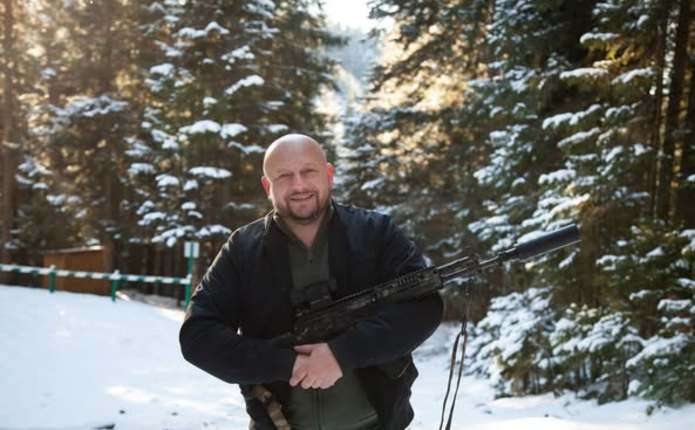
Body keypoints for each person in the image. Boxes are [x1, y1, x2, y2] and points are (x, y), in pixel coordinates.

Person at [179, 134, 443, 430]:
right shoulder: (242, 249)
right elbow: (197, 336)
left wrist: (343, 353)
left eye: (308, 171)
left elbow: (424, 306)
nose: (299, 185)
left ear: (329, 174)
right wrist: (287, 363)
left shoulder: (376, 232)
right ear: (267, 186)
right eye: (284, 176)